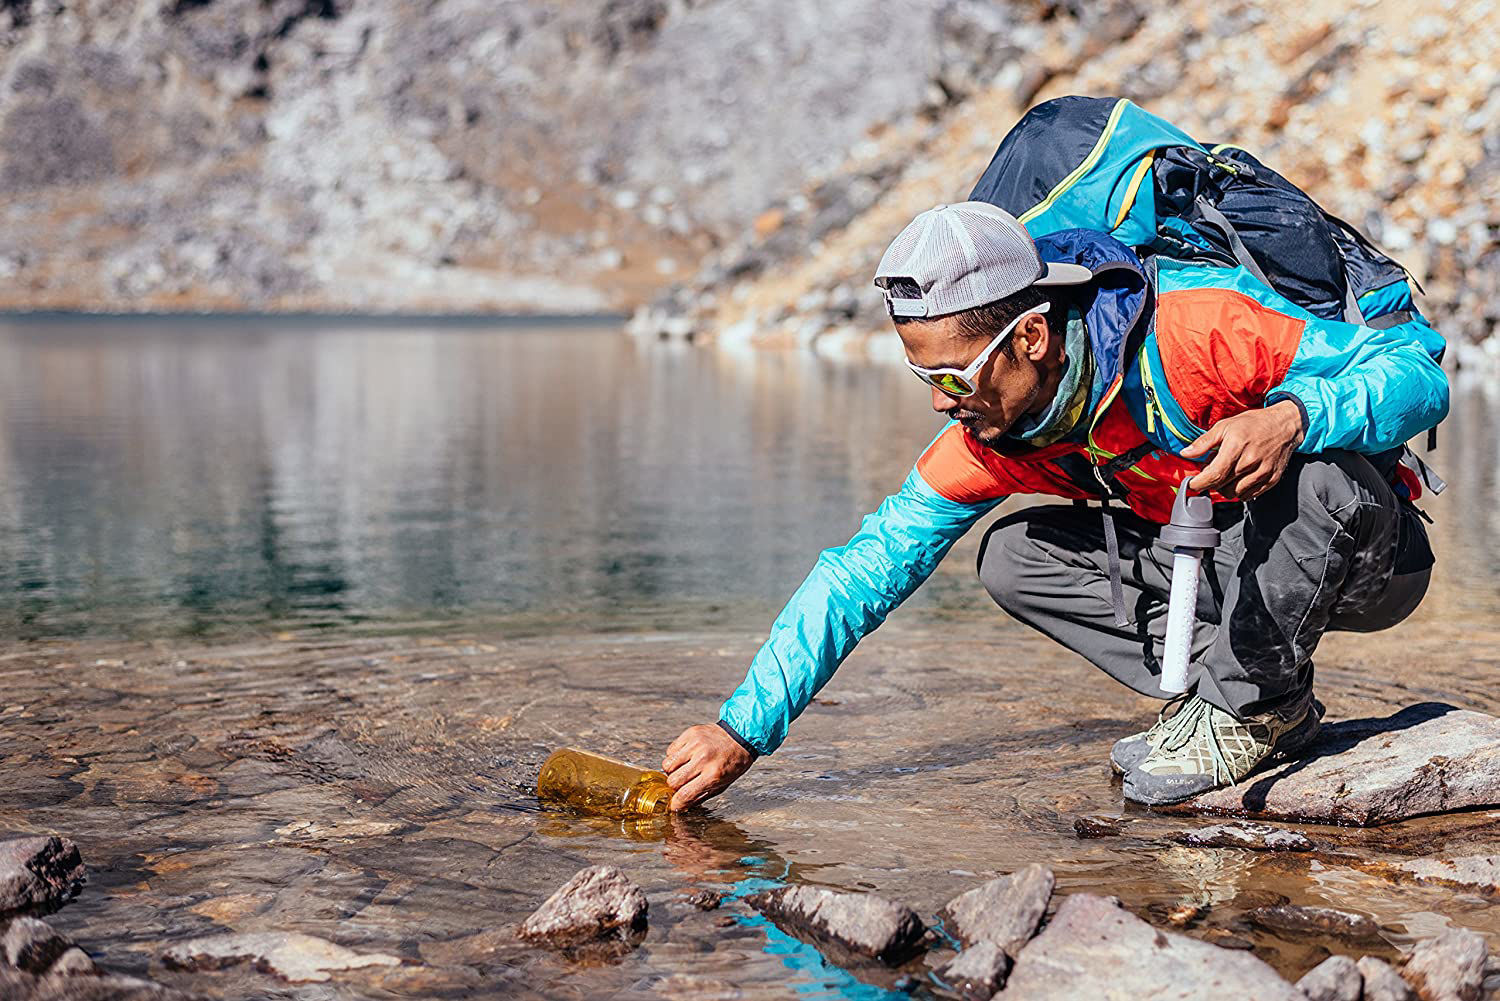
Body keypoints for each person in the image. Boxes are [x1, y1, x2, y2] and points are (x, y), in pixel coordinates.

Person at [662, 201, 1448, 808]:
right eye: (922, 378)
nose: (940, 405)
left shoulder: (1197, 327)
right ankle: (1257, 700)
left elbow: (1420, 373)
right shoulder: (990, 435)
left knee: (1318, 477)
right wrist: (742, 729)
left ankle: (1251, 708)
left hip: (1367, 559)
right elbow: (863, 570)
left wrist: (1294, 418)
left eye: (952, 379)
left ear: (1031, 336)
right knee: (1013, 556)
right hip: (1215, 562)